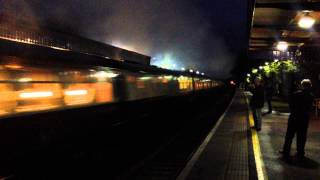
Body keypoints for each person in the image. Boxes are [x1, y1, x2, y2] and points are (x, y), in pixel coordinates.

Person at [280, 79, 314, 161]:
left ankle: (286, 151)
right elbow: (310, 108)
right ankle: (300, 152)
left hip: (294, 118)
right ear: (310, 86)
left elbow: (291, 105)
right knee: (302, 136)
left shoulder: (296, 94)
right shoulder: (311, 96)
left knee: (289, 136)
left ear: (302, 85)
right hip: (304, 119)